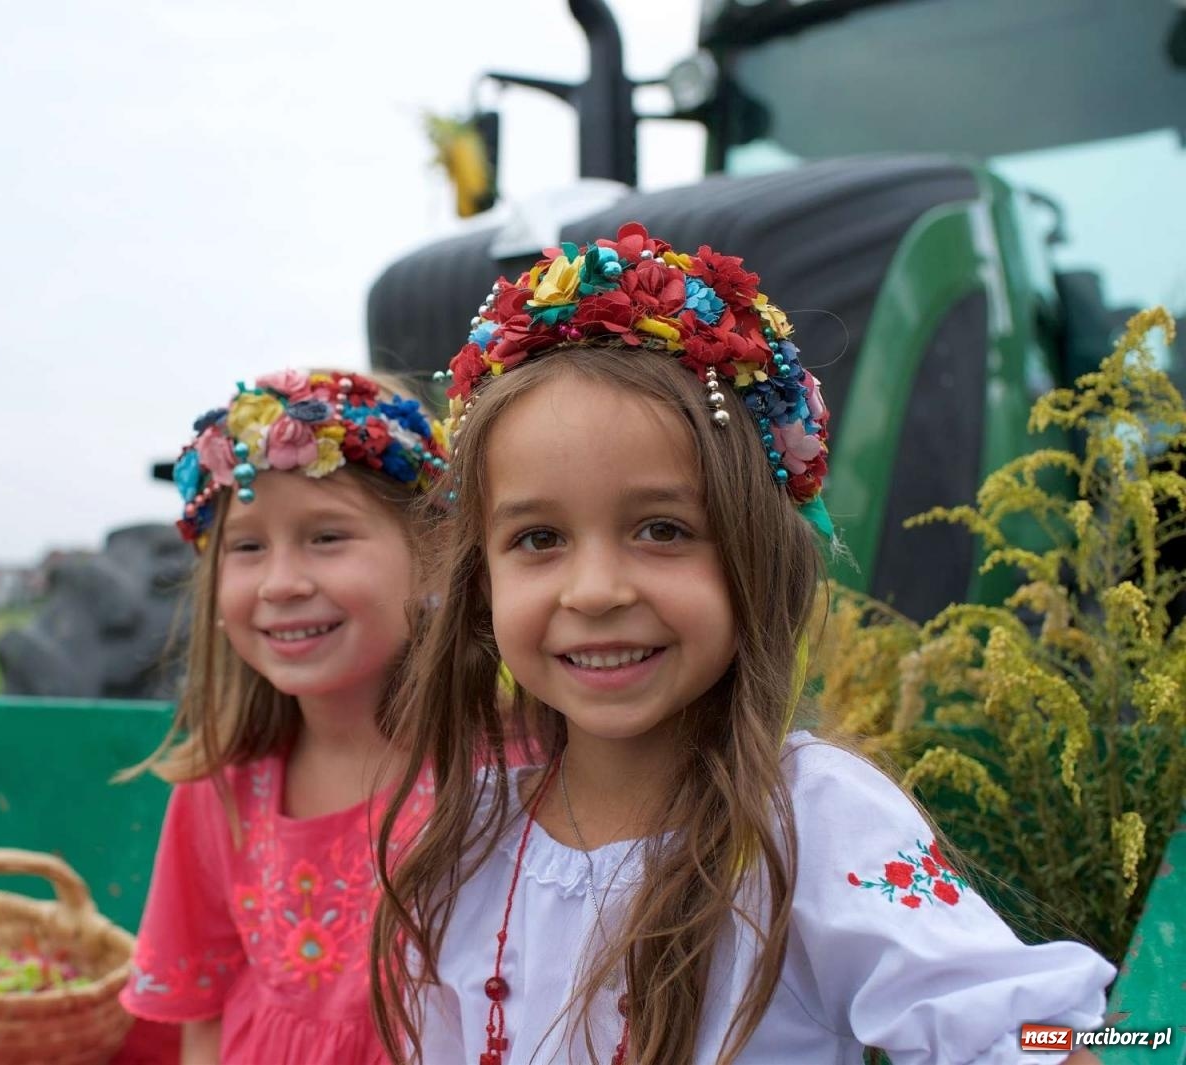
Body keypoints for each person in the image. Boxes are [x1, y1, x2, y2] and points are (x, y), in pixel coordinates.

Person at [370, 225, 1114, 1065]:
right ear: (482, 581)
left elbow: (1025, 1038)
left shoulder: (811, 821)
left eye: (662, 528)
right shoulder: (472, 840)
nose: (596, 589)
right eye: (539, 539)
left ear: (755, 554)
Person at [118, 368, 445, 1065]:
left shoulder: (503, 773)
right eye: (247, 546)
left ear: (434, 558)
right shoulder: (220, 788)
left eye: (326, 537)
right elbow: (200, 1017)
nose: (282, 582)